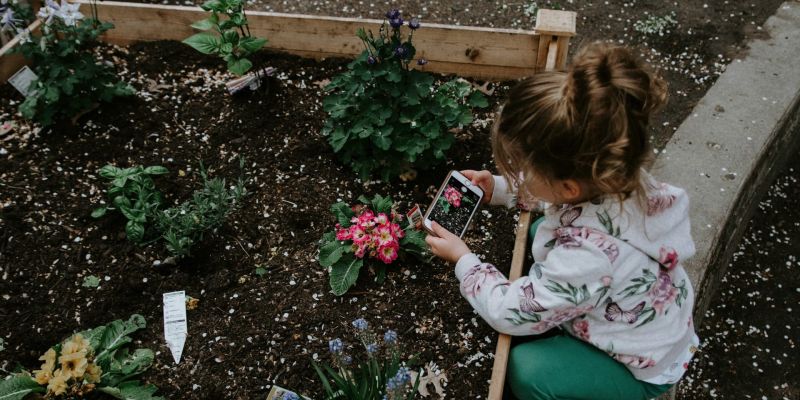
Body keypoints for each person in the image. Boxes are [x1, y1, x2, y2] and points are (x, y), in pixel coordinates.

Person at [425, 42, 699, 400]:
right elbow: (555, 197)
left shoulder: (588, 257)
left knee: (528, 370)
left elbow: (509, 314)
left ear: (568, 186)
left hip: (638, 366)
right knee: (542, 230)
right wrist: (500, 189)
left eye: (525, 168)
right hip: (647, 320)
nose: (519, 172)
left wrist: (465, 261)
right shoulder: (621, 179)